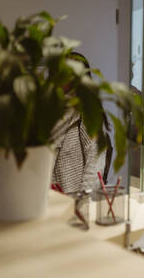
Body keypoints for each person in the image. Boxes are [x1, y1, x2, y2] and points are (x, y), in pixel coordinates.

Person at [52, 53, 112, 193]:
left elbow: (95, 159)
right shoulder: (50, 108)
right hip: (49, 199)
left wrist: (83, 198)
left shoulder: (87, 109)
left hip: (75, 201)